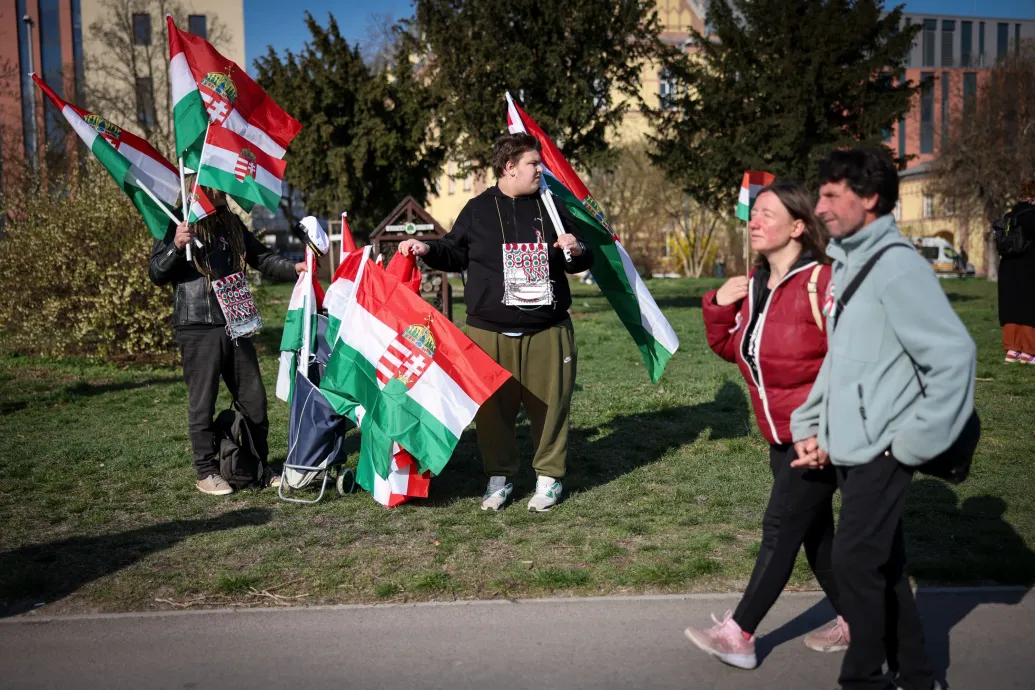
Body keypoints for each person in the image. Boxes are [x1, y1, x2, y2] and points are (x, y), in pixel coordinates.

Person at [791, 147, 975, 690]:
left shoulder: (897, 267)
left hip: (886, 447)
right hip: (850, 444)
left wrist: (910, 443)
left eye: (832, 195)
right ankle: (916, 676)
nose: (820, 206)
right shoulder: (850, 263)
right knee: (885, 569)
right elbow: (844, 360)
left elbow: (955, 356)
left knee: (853, 562)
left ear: (870, 198)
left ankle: (862, 679)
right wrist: (813, 423)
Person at [685, 181, 845, 669]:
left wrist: (824, 429)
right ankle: (862, 618)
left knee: (780, 527)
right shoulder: (757, 285)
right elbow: (736, 351)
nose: (754, 221)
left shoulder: (822, 282)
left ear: (798, 226)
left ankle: (739, 634)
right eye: (753, 214)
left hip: (818, 436)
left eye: (767, 214)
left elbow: (853, 360)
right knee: (816, 536)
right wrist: (719, 304)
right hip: (780, 436)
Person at [398, 133, 594, 512]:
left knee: (550, 405)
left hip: (547, 329)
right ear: (509, 168)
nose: (540, 170)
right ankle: (500, 477)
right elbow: (453, 251)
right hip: (489, 332)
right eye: (533, 164)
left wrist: (577, 248)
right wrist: (426, 248)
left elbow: (582, 257)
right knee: (492, 411)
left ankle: (549, 477)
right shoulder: (478, 209)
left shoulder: (552, 205)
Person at [149, 183, 306, 495]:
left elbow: (262, 258)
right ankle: (206, 472)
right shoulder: (175, 220)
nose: (224, 190)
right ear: (198, 186)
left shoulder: (230, 222)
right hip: (197, 326)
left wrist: (295, 269)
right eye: (216, 185)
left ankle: (258, 469)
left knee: (254, 400)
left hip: (236, 323)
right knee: (202, 403)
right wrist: (176, 246)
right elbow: (156, 273)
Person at [995, 186, 1035, 363]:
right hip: (1029, 267)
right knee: (1029, 308)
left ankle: (1012, 350)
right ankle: (1029, 352)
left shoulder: (1009, 216)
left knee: (1010, 308)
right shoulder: (1032, 215)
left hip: (1007, 268)